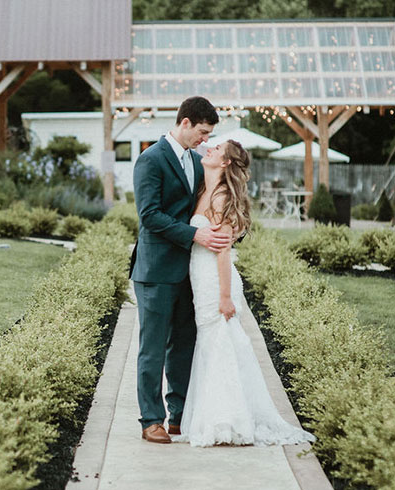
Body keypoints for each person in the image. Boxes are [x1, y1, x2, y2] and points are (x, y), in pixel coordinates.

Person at [173, 140, 316, 446]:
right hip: (200, 277)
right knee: (212, 344)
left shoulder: (223, 197)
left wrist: (226, 296)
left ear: (225, 163)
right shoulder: (203, 191)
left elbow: (223, 251)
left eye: (216, 149)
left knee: (221, 341)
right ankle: (218, 414)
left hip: (217, 280)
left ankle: (228, 420)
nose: (208, 148)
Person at [129, 96, 232, 444]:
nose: (205, 140)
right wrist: (196, 234)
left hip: (188, 271)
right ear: (185, 123)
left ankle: (179, 415)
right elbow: (149, 215)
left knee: (183, 345)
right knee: (153, 347)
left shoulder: (193, 159)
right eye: (202, 132)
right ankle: (151, 420)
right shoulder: (150, 159)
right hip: (155, 270)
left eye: (208, 135)